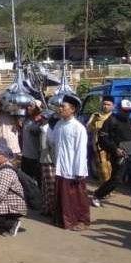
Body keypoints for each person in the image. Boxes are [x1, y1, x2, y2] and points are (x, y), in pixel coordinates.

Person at [47, 95, 90, 230]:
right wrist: (48, 125)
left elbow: (81, 151)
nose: (60, 109)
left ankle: (81, 221)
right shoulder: (59, 124)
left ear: (72, 109)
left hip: (74, 169)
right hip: (61, 166)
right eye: (60, 106)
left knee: (77, 196)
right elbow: (52, 141)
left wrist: (79, 171)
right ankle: (64, 220)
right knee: (63, 196)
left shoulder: (79, 128)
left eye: (63, 107)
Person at [93, 99, 131, 209]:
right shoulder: (111, 121)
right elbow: (102, 139)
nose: (127, 113)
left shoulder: (130, 121)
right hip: (120, 156)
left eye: (129, 111)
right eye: (125, 111)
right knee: (116, 180)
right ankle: (97, 195)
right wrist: (115, 149)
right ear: (119, 109)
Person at [86, 98, 114, 184]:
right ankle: (104, 187)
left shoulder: (114, 116)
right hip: (98, 145)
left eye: (108, 104)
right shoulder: (96, 115)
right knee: (102, 166)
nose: (105, 106)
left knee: (110, 166)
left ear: (113, 106)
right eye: (104, 104)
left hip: (112, 145)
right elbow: (88, 128)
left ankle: (108, 187)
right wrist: (94, 121)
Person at [20, 100, 45, 184]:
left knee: (38, 181)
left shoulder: (42, 122)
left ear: (37, 109)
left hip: (36, 158)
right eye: (28, 106)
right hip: (25, 156)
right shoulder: (26, 120)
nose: (28, 108)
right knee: (25, 181)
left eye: (31, 106)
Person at [0, 100, 21, 165]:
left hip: (12, 145)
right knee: (0, 166)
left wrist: (14, 115)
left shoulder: (13, 114)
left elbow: (19, 128)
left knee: (13, 165)